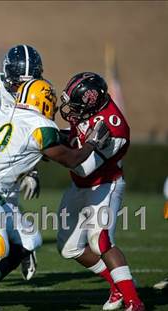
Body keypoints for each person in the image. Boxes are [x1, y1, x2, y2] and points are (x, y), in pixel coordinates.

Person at [0, 78, 111, 310]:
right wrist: (92, 144)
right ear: (43, 100)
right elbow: (70, 159)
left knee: (29, 238)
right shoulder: (39, 125)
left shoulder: (2, 113)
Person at [57, 72, 145, 311]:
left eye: (76, 106)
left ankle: (133, 301)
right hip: (79, 186)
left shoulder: (112, 127)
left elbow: (84, 168)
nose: (71, 111)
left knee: (101, 241)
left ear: (91, 101)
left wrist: (54, 153)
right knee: (69, 248)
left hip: (104, 185)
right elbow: (77, 137)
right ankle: (117, 284)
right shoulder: (90, 112)